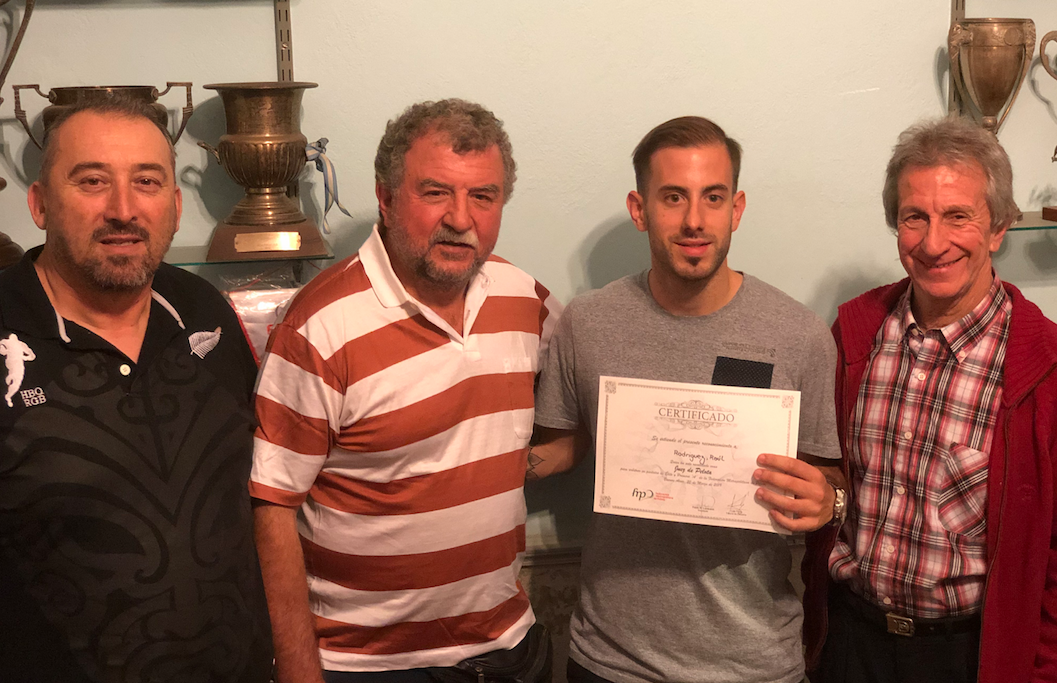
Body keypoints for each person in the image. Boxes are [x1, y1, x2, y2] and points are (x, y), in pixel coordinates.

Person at [250, 99, 561, 683]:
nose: (461, 218)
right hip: (368, 666)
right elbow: (272, 505)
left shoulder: (524, 299)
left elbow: (587, 402)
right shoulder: (320, 326)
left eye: (483, 196)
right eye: (435, 192)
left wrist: (531, 460)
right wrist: (297, 671)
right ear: (386, 199)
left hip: (509, 649)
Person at [529, 116, 844, 683]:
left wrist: (830, 501)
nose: (694, 220)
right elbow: (562, 447)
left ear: (737, 209)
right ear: (639, 209)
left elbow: (828, 476)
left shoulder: (800, 335)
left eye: (713, 197)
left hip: (754, 663)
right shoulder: (588, 323)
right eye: (673, 197)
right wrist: (465, 457)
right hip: (609, 659)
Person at [0, 97, 272, 683]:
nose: (123, 210)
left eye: (146, 181)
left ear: (174, 205)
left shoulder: (203, 311)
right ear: (40, 204)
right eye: (92, 181)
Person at [802, 115, 1057, 683]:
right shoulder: (854, 336)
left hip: (968, 657)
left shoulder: (1043, 369)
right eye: (914, 217)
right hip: (849, 642)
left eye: (958, 216)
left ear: (999, 228)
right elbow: (826, 478)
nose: (933, 243)